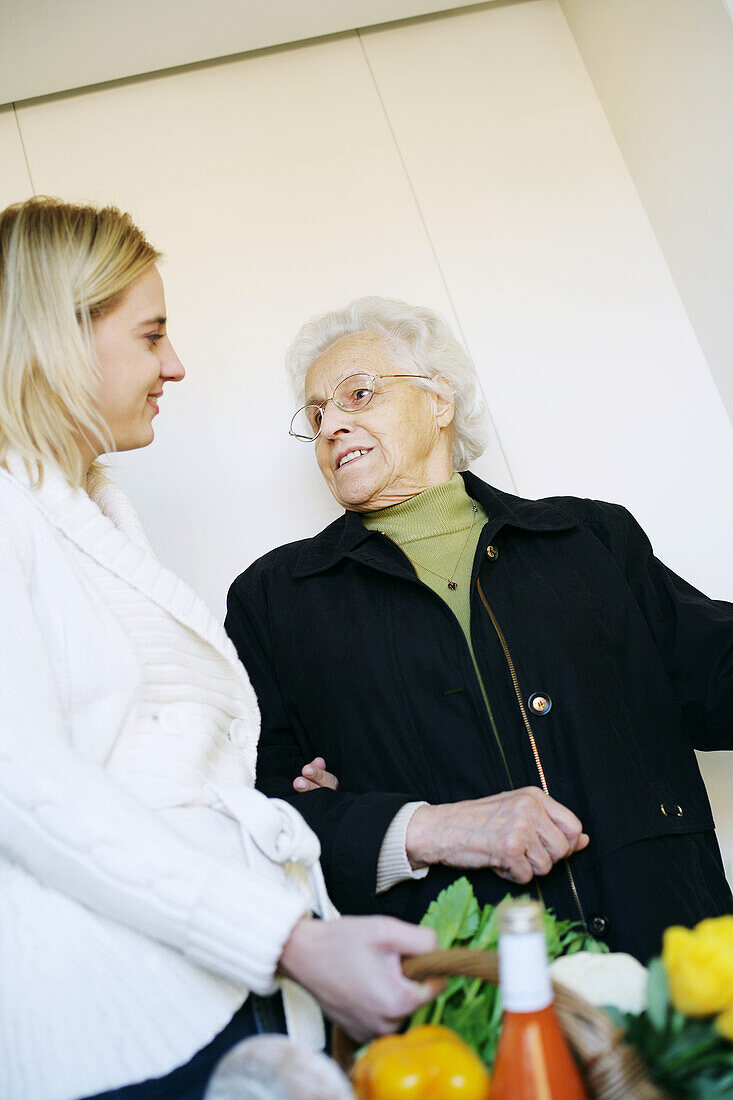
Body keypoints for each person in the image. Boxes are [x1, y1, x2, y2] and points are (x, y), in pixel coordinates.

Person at [0, 202, 438, 1100]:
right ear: (55, 335)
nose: (174, 364)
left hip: (198, 995)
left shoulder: (88, 513)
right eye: (151, 334)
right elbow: (30, 790)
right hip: (116, 1036)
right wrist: (293, 940)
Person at [225, 295, 733, 966]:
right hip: (456, 985)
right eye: (316, 414)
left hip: (672, 955)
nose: (329, 427)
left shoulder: (588, 537)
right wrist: (387, 827)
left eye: (357, 395)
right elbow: (264, 814)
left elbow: (714, 682)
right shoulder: (275, 598)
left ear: (440, 401)